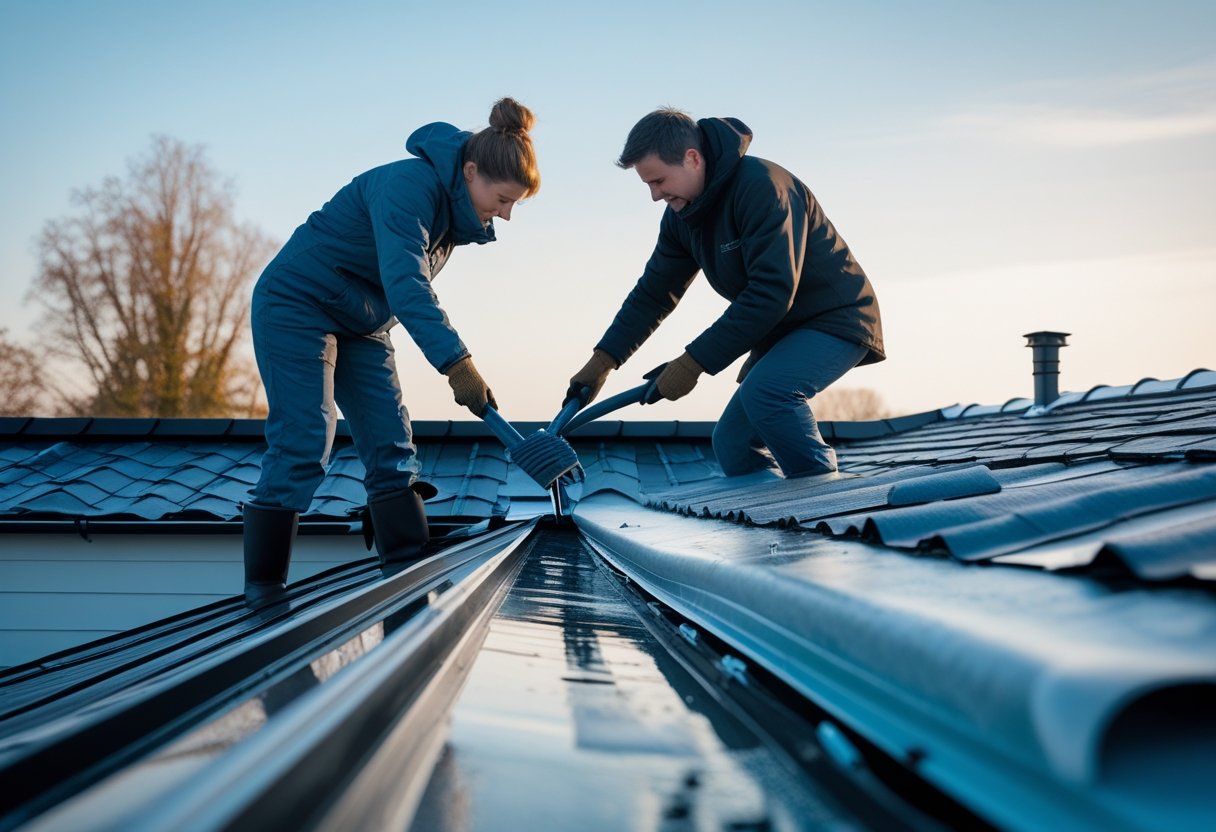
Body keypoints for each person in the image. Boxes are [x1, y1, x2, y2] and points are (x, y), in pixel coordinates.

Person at [244, 98, 540, 605]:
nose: (507, 215)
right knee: (306, 435)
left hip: (363, 320)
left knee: (391, 443)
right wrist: (457, 363)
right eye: (504, 198)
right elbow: (407, 285)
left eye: (515, 204)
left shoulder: (452, 216)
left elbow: (396, 294)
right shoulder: (409, 187)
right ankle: (264, 590)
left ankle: (406, 571)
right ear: (470, 172)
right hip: (298, 303)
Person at [568, 108, 883, 480]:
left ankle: (825, 501)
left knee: (767, 396)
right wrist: (604, 360)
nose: (654, 195)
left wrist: (692, 363)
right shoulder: (681, 218)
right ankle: (772, 525)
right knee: (732, 442)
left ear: (692, 158)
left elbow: (771, 293)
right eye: (647, 185)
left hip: (835, 319)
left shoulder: (762, 186)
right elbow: (654, 293)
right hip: (781, 331)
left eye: (658, 180)